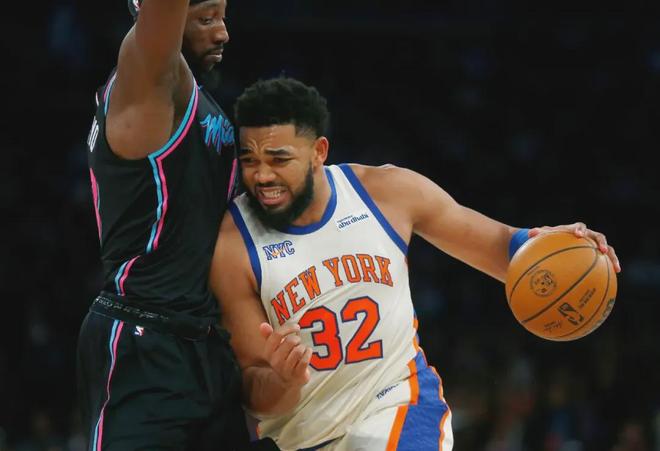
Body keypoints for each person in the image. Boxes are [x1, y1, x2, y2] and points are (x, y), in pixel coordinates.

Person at [209, 77, 622, 451]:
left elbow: (501, 248)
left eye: (279, 160)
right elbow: (253, 388)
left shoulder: (386, 192)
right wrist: (282, 381)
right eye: (250, 160)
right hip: (300, 437)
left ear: (319, 152)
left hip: (397, 409)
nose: (262, 176)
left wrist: (555, 246)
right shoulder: (233, 243)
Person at [77, 1, 277, 449]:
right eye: (206, 18)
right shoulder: (145, 76)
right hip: (143, 341)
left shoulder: (194, 98)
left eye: (223, 17)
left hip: (205, 346)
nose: (223, 33)